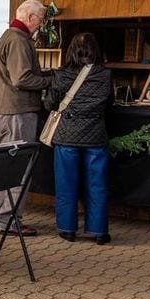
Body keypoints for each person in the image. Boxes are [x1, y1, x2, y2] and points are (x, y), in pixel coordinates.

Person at [0, 0, 53, 236]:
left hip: (5, 110)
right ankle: (9, 219)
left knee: (6, 165)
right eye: (41, 18)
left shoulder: (9, 36)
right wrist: (50, 80)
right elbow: (22, 79)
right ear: (30, 17)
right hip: (17, 112)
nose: (41, 24)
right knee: (18, 167)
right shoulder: (18, 40)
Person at [43, 32, 113, 245]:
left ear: (71, 50)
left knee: (66, 184)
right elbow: (109, 103)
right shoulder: (105, 74)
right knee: (97, 185)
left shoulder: (61, 74)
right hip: (95, 136)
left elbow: (50, 104)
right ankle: (99, 232)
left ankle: (67, 229)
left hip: (67, 135)